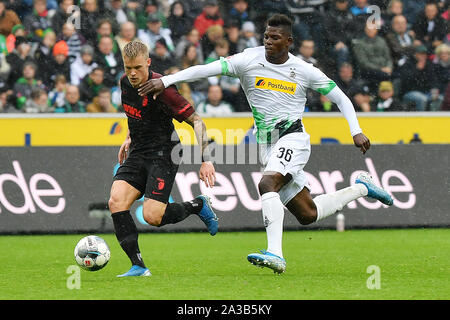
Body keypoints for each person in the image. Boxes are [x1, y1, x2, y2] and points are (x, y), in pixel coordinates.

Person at [138, 14, 394, 274]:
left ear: (289, 41)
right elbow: (205, 69)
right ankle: (362, 188)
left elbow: (341, 98)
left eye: (275, 38)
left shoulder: (303, 70)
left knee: (266, 184)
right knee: (308, 214)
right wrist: (166, 80)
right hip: (267, 144)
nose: (269, 42)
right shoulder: (248, 60)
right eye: (266, 37)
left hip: (293, 137)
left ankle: (275, 254)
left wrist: (356, 130)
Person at [109, 40, 218, 277]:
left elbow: (197, 121)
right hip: (138, 151)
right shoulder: (124, 82)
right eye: (128, 68)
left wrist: (206, 159)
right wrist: (129, 136)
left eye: (138, 67)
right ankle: (138, 266)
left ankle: (197, 205)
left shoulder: (164, 89)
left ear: (148, 62)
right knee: (116, 202)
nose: (133, 74)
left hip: (164, 153)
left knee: (152, 216)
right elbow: (137, 113)